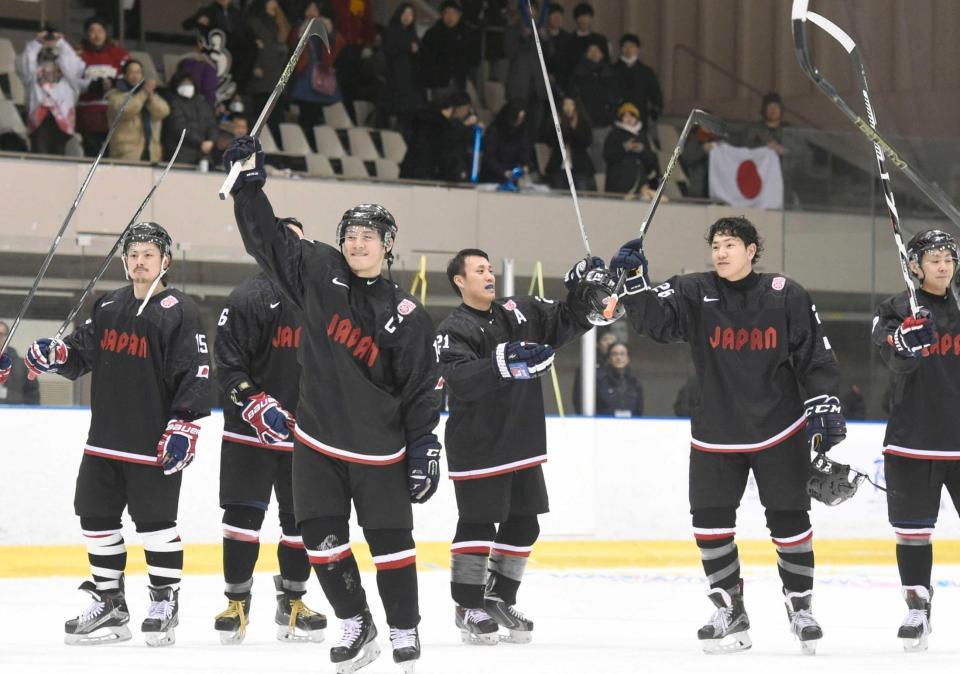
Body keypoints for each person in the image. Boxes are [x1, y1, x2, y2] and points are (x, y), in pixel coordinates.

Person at [223, 134, 442, 672]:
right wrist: (249, 184)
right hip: (316, 442)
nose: (357, 243)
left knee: (391, 545)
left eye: (368, 236)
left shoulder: (409, 315)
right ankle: (355, 621)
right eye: (350, 234)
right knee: (320, 541)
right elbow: (268, 242)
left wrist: (423, 446)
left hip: (379, 452)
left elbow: (420, 388)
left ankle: (404, 627)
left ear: (388, 245)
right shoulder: (318, 274)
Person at [609, 215, 845, 654]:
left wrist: (824, 400)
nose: (720, 251)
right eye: (716, 244)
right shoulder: (693, 290)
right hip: (716, 430)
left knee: (790, 521)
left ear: (751, 250)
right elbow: (657, 324)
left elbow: (814, 354)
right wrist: (634, 283)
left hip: (779, 426)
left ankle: (800, 607)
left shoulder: (785, 294)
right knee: (710, 525)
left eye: (730, 244)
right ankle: (729, 608)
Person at [24, 222, 213, 647]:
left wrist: (185, 422)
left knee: (156, 525)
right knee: (94, 519)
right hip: (104, 440)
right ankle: (110, 603)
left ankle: (164, 600)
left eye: (148, 253)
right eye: (133, 254)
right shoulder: (109, 305)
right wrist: (57, 354)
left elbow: (197, 370)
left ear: (166, 260)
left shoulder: (179, 310)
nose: (139, 261)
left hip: (152, 444)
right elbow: (82, 354)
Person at [436, 249, 600, 644]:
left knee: (524, 522)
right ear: (460, 281)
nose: (489, 275)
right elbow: (460, 379)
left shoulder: (517, 311)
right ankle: (467, 605)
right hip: (478, 444)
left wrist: (587, 294)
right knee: (477, 524)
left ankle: (497, 597)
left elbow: (565, 319)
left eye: (490, 268)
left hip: (521, 441)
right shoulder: (452, 329)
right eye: (479, 270)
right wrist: (503, 361)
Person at [212, 216, 327, 645]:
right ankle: (237, 602)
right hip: (250, 433)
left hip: (307, 435)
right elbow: (227, 362)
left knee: (301, 521)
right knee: (242, 519)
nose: (292, 249)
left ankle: (293, 603)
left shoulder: (326, 298)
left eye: (298, 241)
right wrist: (252, 401)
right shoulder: (248, 297)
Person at [871, 229, 960, 652]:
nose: (943, 265)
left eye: (949, 257)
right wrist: (903, 342)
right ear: (915, 266)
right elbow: (887, 350)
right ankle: (917, 607)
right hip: (913, 440)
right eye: (934, 259)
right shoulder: (897, 308)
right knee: (912, 533)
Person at [16, 30, 86, 155]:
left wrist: (61, 43)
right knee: (39, 153)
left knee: (59, 155)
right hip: (38, 116)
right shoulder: (33, 69)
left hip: (62, 116)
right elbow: (25, 66)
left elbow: (74, 68)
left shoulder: (67, 68)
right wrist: (36, 43)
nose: (49, 44)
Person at [288, 4, 345, 152]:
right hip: (304, 76)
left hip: (319, 77)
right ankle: (303, 146)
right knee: (305, 113)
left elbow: (335, 50)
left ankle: (313, 146)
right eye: (309, 8)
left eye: (315, 9)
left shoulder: (324, 27)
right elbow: (292, 46)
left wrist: (331, 32)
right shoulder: (299, 27)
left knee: (315, 114)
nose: (312, 12)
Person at [76, 17, 129, 157]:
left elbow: (129, 80)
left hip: (113, 115)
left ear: (106, 33)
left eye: (100, 30)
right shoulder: (78, 56)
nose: (96, 35)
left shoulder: (119, 54)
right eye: (92, 31)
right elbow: (74, 82)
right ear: (86, 34)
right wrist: (96, 85)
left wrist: (113, 84)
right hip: (87, 117)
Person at [245, 0, 291, 150]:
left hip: (275, 76)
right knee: (262, 118)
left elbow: (283, 39)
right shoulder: (254, 22)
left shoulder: (273, 23)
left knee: (275, 118)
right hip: (262, 77)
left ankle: (275, 151)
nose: (275, 4)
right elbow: (251, 47)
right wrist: (256, 65)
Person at [106, 60, 169, 162]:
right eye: (131, 72)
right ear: (125, 75)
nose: (135, 76)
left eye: (138, 72)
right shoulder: (116, 95)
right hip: (125, 154)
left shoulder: (149, 95)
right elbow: (125, 110)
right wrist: (144, 93)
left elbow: (164, 112)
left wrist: (151, 97)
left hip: (151, 153)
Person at [382, 3, 425, 139]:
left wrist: (416, 50)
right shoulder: (391, 31)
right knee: (397, 111)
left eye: (411, 15)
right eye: (405, 14)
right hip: (395, 78)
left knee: (408, 114)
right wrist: (407, 47)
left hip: (410, 80)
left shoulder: (412, 33)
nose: (407, 17)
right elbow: (389, 49)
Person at [162, 71, 219, 165]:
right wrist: (200, 143)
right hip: (180, 155)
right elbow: (178, 127)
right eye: (183, 84)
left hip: (203, 154)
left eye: (189, 83)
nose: (187, 86)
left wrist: (211, 140)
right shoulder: (173, 102)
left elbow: (212, 124)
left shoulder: (201, 102)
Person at [602, 102, 658, 196]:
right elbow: (607, 155)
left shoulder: (642, 136)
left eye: (632, 116)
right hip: (618, 186)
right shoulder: (614, 134)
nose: (629, 119)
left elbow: (652, 160)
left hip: (640, 186)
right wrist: (624, 148)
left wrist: (642, 151)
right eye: (625, 116)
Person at [418, 0, 470, 97]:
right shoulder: (433, 34)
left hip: (459, 81)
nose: (451, 17)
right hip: (439, 83)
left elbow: (469, 56)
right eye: (447, 13)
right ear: (442, 14)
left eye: (454, 13)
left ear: (459, 15)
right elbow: (424, 58)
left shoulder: (464, 33)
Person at [544, 96, 595, 190]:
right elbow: (550, 142)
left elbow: (586, 142)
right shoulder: (557, 122)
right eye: (565, 104)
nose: (568, 107)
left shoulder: (583, 123)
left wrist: (574, 128)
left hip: (579, 168)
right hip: (559, 168)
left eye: (571, 104)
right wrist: (557, 127)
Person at [613, 33, 662, 128]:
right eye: (625, 46)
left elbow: (656, 95)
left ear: (638, 49)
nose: (628, 50)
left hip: (641, 118)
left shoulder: (646, 72)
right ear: (621, 49)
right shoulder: (612, 70)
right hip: (618, 117)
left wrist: (654, 112)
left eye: (632, 46)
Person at [479, 99, 533, 185]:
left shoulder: (522, 132)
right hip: (492, 176)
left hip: (512, 176)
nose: (519, 122)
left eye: (521, 119)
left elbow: (525, 152)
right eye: (517, 119)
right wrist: (503, 172)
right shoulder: (494, 130)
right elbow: (489, 157)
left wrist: (525, 166)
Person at [567, 40, 619, 129]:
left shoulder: (611, 73)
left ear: (603, 54)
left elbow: (615, 98)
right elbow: (572, 97)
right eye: (591, 50)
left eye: (597, 50)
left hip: (606, 122)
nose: (594, 53)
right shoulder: (577, 73)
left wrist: (611, 116)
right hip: (582, 121)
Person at [595, 341, 643, 417]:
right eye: (615, 354)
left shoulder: (635, 382)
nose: (619, 357)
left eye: (622, 354)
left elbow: (639, 409)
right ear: (609, 358)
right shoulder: (600, 380)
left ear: (628, 358)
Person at [0, 321, 40, 405]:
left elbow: (33, 396)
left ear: (7, 337)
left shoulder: (22, 365)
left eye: (0, 334)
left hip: (16, 413)